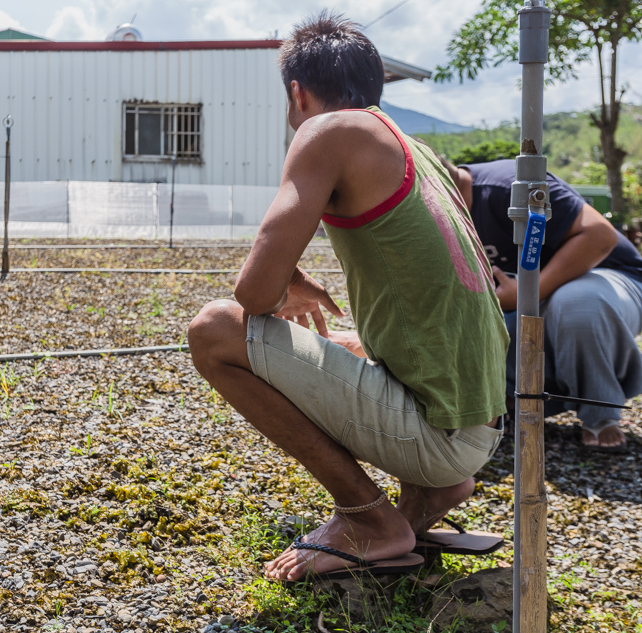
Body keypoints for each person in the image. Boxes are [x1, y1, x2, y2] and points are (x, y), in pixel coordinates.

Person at [187, 12, 509, 582]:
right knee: (343, 338)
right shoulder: (413, 147)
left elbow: (252, 295)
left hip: (441, 436)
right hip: (482, 421)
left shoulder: (326, 130)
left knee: (214, 330)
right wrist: (297, 279)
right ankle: (430, 492)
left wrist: (281, 277)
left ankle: (368, 519)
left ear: (297, 92)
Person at [444, 159, 642, 452]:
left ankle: (600, 413)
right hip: (527, 301)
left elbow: (601, 235)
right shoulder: (434, 219)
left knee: (576, 306)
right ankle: (510, 397)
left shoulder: (507, 185)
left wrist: (528, 292)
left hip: (607, 279)